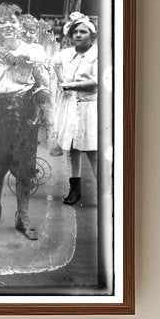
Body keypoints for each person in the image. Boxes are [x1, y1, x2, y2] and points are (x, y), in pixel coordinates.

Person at [0, 10, 48, 240]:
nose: (7, 25)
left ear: (20, 25)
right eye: (1, 21)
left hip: (23, 110)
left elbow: (44, 81)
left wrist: (41, 106)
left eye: (12, 21)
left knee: (24, 167)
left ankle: (22, 216)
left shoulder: (33, 50)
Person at [53, 12, 99, 206]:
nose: (78, 35)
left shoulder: (98, 55)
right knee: (72, 148)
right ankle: (74, 189)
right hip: (70, 106)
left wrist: (73, 85)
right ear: (70, 36)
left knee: (92, 150)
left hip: (89, 107)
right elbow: (55, 66)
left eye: (83, 31)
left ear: (91, 34)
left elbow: (98, 81)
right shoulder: (65, 55)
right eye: (75, 32)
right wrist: (63, 80)